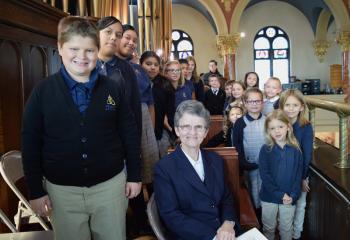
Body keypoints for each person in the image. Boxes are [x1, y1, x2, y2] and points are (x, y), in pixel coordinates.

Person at [21, 16, 141, 240]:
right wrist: (35, 191)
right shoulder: (42, 92)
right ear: (60, 48)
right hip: (62, 192)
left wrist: (134, 174)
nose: (82, 57)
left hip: (109, 188)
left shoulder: (113, 89)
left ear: (98, 50)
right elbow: (30, 142)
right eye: (74, 49)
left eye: (89, 50)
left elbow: (129, 133)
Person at [154, 100, 239, 240]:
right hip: (192, 236)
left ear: (206, 132)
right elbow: (171, 215)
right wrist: (213, 236)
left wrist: (228, 223)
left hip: (225, 232)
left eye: (199, 127)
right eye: (186, 127)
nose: (192, 132)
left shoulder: (216, 160)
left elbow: (226, 198)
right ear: (177, 130)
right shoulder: (164, 168)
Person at [121, 24, 159, 237]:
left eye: (134, 39)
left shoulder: (137, 69)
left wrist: (151, 130)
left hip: (144, 120)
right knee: (130, 174)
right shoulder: (112, 66)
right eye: (127, 37)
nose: (131, 42)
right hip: (124, 120)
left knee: (149, 171)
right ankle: (136, 220)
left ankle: (151, 215)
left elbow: (150, 101)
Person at [259, 109, 303, 240]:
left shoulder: (296, 150)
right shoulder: (265, 150)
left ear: (288, 127)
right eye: (272, 128)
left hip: (289, 197)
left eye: (280, 127)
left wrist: (294, 195)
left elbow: (297, 176)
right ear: (268, 131)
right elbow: (265, 176)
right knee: (269, 228)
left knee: (286, 228)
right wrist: (279, 194)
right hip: (269, 197)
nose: (277, 131)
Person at [96, 16, 142, 138]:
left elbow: (134, 107)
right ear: (97, 34)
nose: (113, 37)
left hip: (118, 136)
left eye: (118, 35)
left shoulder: (127, 69)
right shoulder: (86, 64)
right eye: (108, 32)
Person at [279, 89, 313, 240]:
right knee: (284, 206)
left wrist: (303, 178)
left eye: (295, 105)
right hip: (283, 174)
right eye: (287, 105)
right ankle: (284, 234)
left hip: (300, 175)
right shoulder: (279, 125)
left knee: (300, 206)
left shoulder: (306, 127)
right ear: (282, 106)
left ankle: (296, 235)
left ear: (301, 107)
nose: (291, 109)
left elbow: (306, 155)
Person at [232, 88, 265, 213]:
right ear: (245, 103)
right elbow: (237, 145)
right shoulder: (240, 123)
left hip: (266, 166)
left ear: (262, 102)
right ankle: (256, 223)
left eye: (257, 101)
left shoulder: (267, 120)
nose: (254, 104)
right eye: (251, 101)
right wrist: (244, 164)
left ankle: (266, 223)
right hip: (249, 165)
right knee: (252, 196)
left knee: (265, 195)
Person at [140, 51, 175, 158]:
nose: (153, 67)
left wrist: (175, 131)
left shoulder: (165, 83)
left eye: (156, 65)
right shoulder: (135, 81)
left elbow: (171, 111)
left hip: (159, 129)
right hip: (140, 129)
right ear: (141, 64)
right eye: (148, 64)